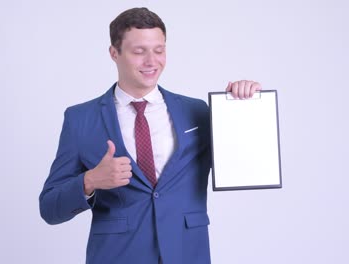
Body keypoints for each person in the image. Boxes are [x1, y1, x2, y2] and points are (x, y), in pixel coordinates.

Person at [39, 7, 261, 264]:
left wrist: (245, 106)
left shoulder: (197, 111)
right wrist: (89, 181)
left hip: (187, 254)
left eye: (159, 50)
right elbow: (49, 209)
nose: (151, 61)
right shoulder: (81, 119)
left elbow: (246, 162)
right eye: (139, 51)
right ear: (114, 53)